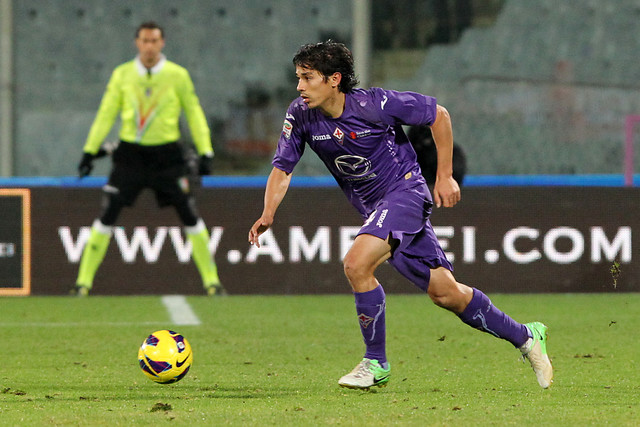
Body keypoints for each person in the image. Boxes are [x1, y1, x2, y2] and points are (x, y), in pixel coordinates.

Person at [248, 41, 552, 390]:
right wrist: (268, 211)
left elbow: (439, 116)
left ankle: (375, 362)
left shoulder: (375, 104)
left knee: (356, 264)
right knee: (446, 294)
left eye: (307, 78)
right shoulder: (300, 114)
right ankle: (527, 337)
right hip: (375, 209)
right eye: (298, 78)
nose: (299, 86)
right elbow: (283, 167)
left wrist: (444, 175)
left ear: (334, 79)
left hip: (406, 194)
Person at [72, 21, 226, 297]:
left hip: (168, 157)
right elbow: (106, 114)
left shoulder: (177, 75)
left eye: (154, 41)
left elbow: (193, 112)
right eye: (145, 40)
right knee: (108, 214)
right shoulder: (122, 75)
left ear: (162, 43)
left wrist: (206, 151)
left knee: (189, 214)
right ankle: (83, 284)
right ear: (137, 43)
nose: (150, 46)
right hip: (131, 156)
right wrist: (89, 151)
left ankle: (212, 283)